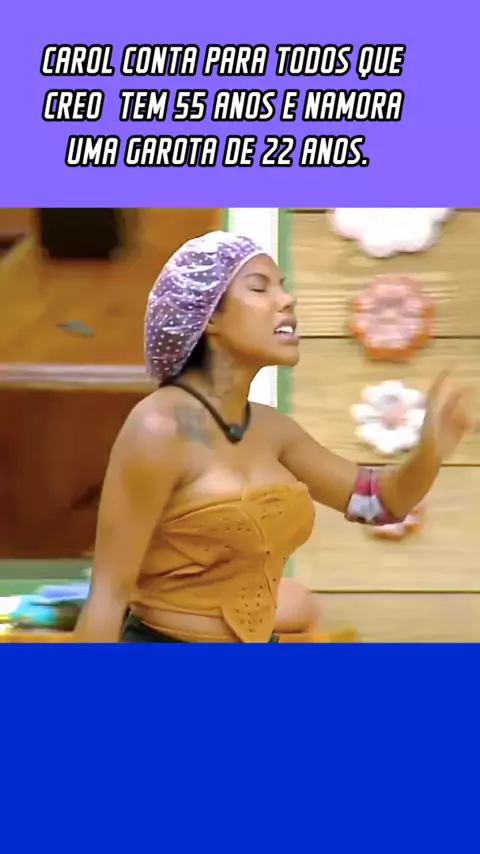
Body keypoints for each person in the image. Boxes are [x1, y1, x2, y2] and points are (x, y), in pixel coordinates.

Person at [74, 231, 472, 643]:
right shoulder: (159, 427)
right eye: (259, 287)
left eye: (283, 286)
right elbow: (108, 594)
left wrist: (429, 453)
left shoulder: (273, 429)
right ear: (208, 316)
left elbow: (378, 503)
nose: (287, 300)